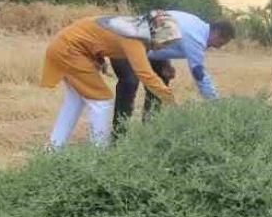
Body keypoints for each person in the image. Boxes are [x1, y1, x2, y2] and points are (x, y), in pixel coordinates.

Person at [40, 12, 181, 150]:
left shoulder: (133, 27)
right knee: (102, 101)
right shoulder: (134, 38)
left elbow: (97, 36)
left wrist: (98, 58)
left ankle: (54, 148)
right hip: (69, 51)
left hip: (65, 48)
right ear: (156, 33)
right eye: (166, 41)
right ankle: (99, 153)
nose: (165, 46)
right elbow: (146, 75)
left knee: (76, 100)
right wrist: (171, 101)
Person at [110, 9, 235, 130]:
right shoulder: (196, 38)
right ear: (217, 33)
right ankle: (119, 133)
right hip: (123, 45)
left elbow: (162, 37)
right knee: (130, 83)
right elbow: (199, 75)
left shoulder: (196, 23)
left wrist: (165, 62)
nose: (218, 47)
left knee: (162, 78)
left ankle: (149, 129)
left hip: (145, 47)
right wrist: (217, 104)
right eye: (221, 43)